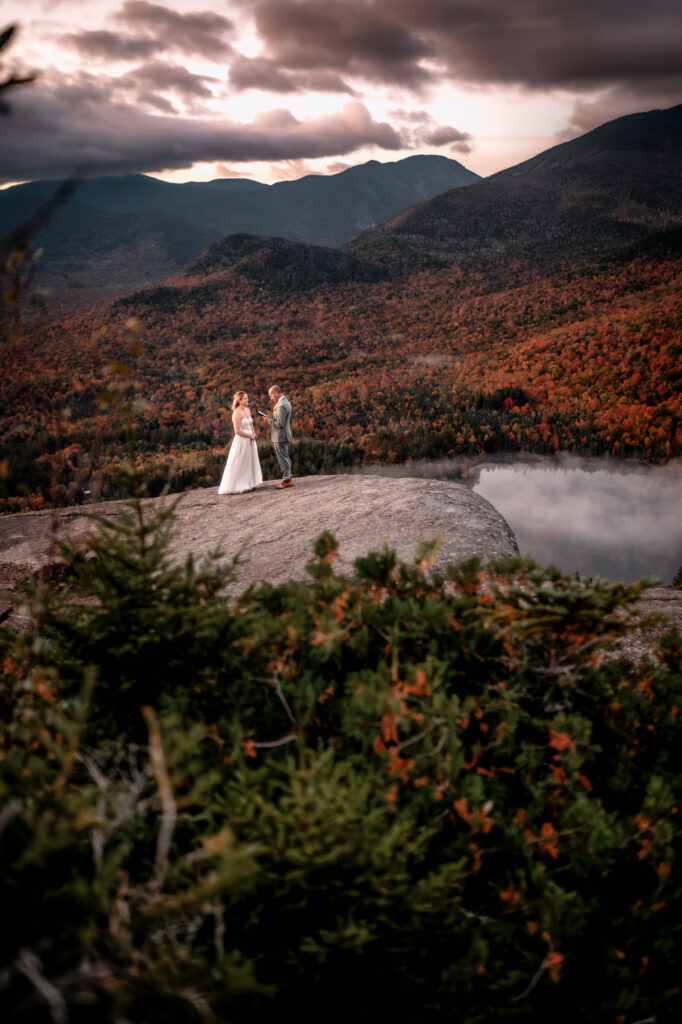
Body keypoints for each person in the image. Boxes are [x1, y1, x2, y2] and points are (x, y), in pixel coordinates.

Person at [218, 390, 262, 495]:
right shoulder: (236, 413)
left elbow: (251, 424)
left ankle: (250, 483)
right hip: (242, 441)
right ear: (240, 400)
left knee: (249, 462)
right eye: (245, 398)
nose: (248, 400)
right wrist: (249, 435)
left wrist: (254, 433)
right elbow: (237, 431)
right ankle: (241, 485)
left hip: (250, 440)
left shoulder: (247, 410)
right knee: (241, 462)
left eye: (247, 398)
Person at [261, 385, 293, 489]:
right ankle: (288, 478)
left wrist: (268, 421)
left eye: (271, 395)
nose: (271, 398)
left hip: (280, 437)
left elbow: (280, 424)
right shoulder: (285, 402)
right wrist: (272, 417)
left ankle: (286, 480)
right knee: (285, 457)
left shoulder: (281, 405)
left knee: (282, 458)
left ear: (275, 393)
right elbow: (281, 419)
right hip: (284, 435)